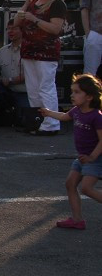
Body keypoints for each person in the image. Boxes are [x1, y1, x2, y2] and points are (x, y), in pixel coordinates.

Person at [39, 74, 102, 230]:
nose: (72, 95)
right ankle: (77, 219)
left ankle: (77, 219)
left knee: (86, 188)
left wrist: (92, 157)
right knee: (70, 184)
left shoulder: (96, 117)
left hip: (95, 159)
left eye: (77, 92)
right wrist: (49, 113)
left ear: (89, 97)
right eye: (72, 91)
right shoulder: (77, 111)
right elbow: (64, 116)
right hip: (82, 158)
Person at [14, 0, 67, 136]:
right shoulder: (33, 2)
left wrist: (34, 19)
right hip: (29, 50)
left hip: (46, 51)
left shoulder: (57, 4)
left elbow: (55, 29)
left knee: (46, 87)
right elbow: (16, 23)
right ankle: (36, 121)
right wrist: (25, 5)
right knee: (33, 89)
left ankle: (51, 123)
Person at [0, 20, 30, 127]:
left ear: (22, 31)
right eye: (8, 29)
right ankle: (2, 113)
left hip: (25, 93)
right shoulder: (2, 51)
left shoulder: (30, 51)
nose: (10, 31)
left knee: (24, 121)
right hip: (6, 91)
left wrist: (11, 80)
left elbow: (31, 75)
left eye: (14, 28)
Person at [79, 0, 102, 75]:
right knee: (90, 75)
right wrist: (89, 33)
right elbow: (84, 8)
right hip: (96, 33)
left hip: (94, 34)